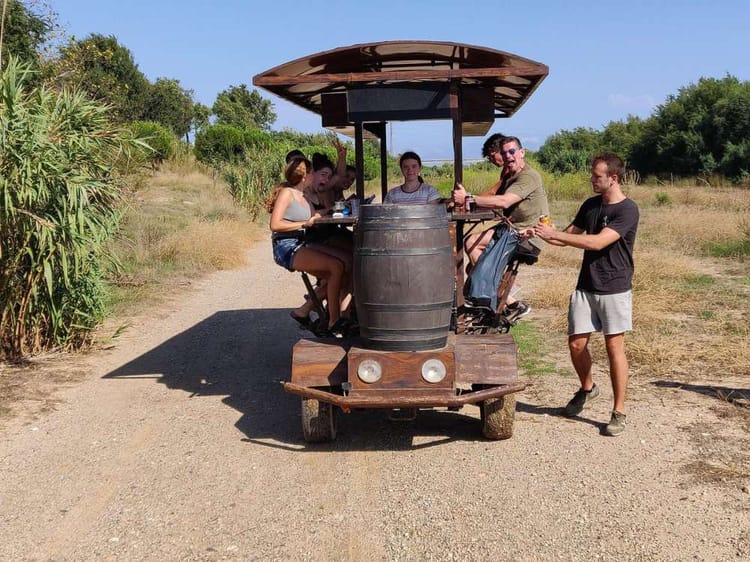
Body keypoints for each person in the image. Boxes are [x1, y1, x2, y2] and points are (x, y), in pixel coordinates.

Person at [533, 152, 639, 437]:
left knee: (614, 348)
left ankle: (619, 411)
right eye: (592, 175)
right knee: (576, 345)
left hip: (614, 288)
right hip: (585, 286)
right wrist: (541, 232)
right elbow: (567, 235)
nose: (592, 180)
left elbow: (597, 243)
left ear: (613, 178)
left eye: (597, 176)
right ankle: (588, 388)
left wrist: (560, 236)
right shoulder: (590, 205)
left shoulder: (628, 210)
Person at [453, 135, 549, 318]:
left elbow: (504, 201)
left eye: (512, 152)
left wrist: (469, 198)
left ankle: (491, 300)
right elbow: (495, 196)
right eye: (504, 153)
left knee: (474, 258)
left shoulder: (529, 176)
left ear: (522, 153)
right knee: (471, 250)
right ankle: (503, 302)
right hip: (511, 229)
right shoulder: (511, 176)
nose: (508, 156)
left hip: (527, 234)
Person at [265, 156, 349, 337]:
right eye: (311, 172)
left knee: (345, 268)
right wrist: (304, 224)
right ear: (305, 176)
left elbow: (313, 216)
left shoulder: (303, 195)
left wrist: (330, 210)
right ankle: (334, 321)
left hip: (302, 242)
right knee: (335, 267)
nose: (313, 176)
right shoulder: (287, 193)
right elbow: (275, 225)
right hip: (286, 245)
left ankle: (316, 314)